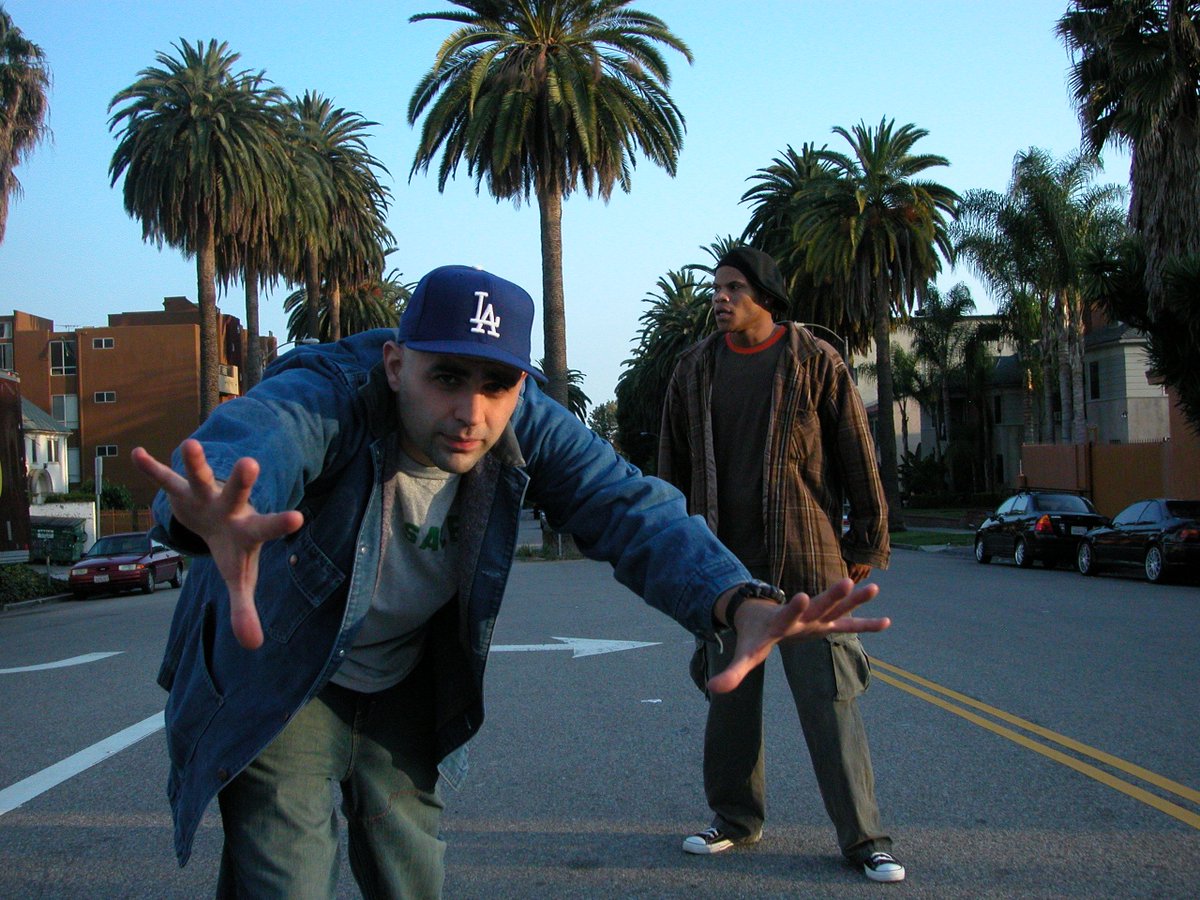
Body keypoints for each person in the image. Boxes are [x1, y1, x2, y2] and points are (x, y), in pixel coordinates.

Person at [132, 264, 893, 898]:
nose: (471, 411)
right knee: (287, 880)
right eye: (447, 376)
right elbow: (261, 434)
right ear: (397, 364)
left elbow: (628, 505)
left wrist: (734, 597)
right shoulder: (334, 393)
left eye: (497, 383)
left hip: (401, 683)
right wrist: (218, 510)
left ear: (521, 387)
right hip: (288, 678)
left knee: (411, 878)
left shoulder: (525, 422)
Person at [658, 247, 904, 883]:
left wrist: (862, 552)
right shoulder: (692, 370)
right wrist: (675, 550)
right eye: (716, 287)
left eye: (734, 288)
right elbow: (671, 469)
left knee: (830, 701)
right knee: (731, 703)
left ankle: (864, 839)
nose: (720, 298)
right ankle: (735, 820)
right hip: (726, 575)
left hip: (809, 568)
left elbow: (858, 456)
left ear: (766, 297)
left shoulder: (815, 362)